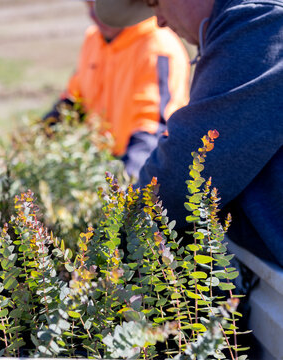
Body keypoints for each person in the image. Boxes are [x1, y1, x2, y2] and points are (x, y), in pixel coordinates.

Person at [94, 0, 283, 268]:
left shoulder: (259, 22)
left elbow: (185, 171)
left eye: (154, 2)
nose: (158, 21)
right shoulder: (241, 25)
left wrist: (105, 245)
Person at [43, 0, 191, 178]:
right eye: (89, 6)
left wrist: (127, 186)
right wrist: (33, 139)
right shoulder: (94, 39)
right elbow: (74, 101)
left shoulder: (158, 47)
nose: (93, 15)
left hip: (141, 164)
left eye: (99, 7)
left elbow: (153, 128)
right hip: (98, 163)